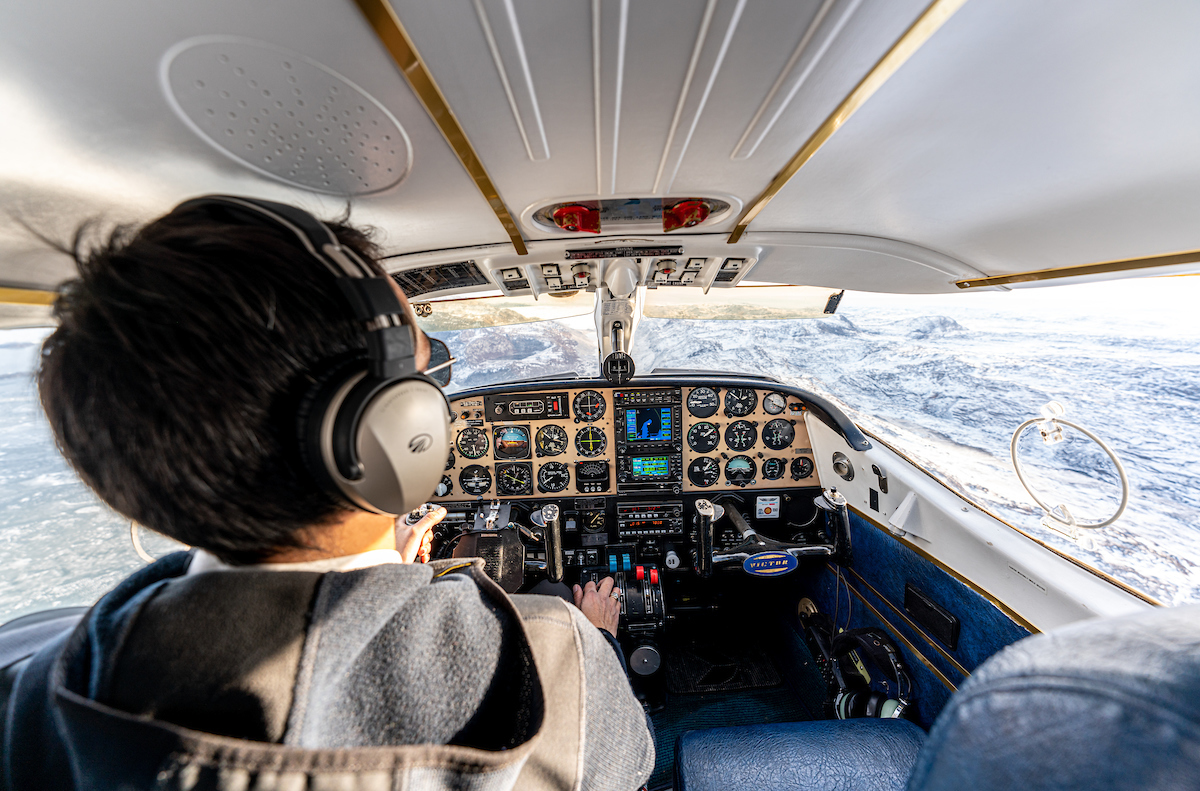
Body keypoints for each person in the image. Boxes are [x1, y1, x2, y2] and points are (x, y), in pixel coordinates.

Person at [4, 198, 654, 790]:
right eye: (432, 372)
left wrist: (379, 571)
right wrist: (602, 644)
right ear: (388, 429)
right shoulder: (553, 655)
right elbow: (627, 771)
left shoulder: (40, 694)